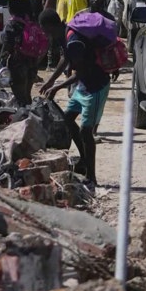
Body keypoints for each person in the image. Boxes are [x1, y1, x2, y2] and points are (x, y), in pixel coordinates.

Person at [41, 11, 115, 186]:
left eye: (46, 31)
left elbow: (81, 73)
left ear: (51, 26)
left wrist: (57, 87)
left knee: (86, 131)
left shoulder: (74, 41)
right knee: (67, 119)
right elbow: (65, 59)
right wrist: (51, 80)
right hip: (84, 85)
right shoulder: (67, 34)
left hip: (95, 86)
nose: (46, 35)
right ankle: (83, 160)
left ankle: (92, 176)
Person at [2, 0, 42, 107]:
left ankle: (24, 119)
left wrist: (0, 64)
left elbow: (6, 47)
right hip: (32, 63)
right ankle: (30, 116)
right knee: (27, 94)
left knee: (20, 97)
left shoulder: (12, 24)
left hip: (18, 64)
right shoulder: (32, 21)